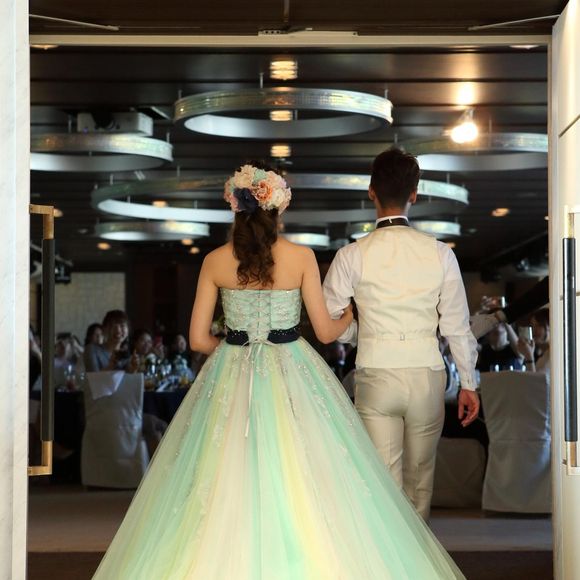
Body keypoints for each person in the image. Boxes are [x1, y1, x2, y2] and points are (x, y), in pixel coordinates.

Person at [92, 163, 465, 579]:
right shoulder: (302, 257)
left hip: (233, 370)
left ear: (236, 207)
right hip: (292, 369)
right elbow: (326, 332)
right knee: (301, 469)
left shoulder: (215, 261)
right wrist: (351, 316)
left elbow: (197, 339)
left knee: (226, 468)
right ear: (278, 209)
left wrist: (234, 350)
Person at [323, 148, 479, 520]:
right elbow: (457, 326)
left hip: (377, 371)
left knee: (383, 484)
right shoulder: (440, 253)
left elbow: (329, 315)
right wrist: (469, 383)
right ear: (414, 194)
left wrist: (361, 334)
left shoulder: (351, 255)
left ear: (371, 192)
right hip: (426, 373)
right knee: (420, 481)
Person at [517, 307, 551, 374]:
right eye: (532, 326)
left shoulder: (553, 356)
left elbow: (533, 380)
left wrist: (529, 356)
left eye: (539, 325)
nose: (534, 330)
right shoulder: (543, 355)